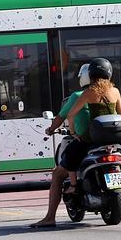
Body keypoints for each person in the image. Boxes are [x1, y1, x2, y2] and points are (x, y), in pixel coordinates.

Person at [30, 64, 91, 228]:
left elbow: (62, 116)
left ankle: (50, 217)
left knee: (57, 173)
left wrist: (51, 129)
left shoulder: (79, 95)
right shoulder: (109, 93)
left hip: (85, 142)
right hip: (107, 142)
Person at [66, 57, 121, 194]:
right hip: (116, 135)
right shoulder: (115, 91)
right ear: (109, 73)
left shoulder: (88, 92)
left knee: (70, 154)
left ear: (90, 74)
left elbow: (70, 115)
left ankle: (73, 186)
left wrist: (73, 133)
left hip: (95, 135)